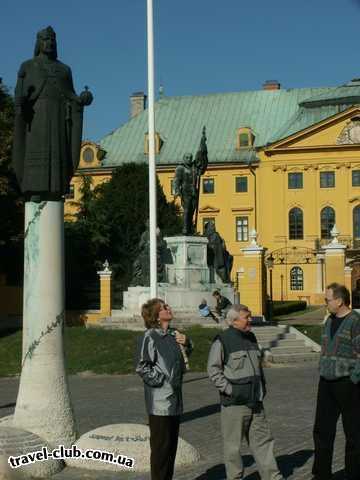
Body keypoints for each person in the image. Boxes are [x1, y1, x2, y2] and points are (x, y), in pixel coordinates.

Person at [12, 26, 93, 200]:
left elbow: (71, 96)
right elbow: (20, 98)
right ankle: (35, 188)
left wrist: (83, 99)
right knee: (36, 153)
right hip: (36, 120)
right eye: (46, 39)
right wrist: (21, 101)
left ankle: (56, 188)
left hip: (58, 120)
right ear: (39, 43)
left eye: (52, 40)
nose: (49, 43)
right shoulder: (28, 66)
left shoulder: (64, 70)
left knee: (57, 154)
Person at [207, 304, 284, 480]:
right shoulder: (222, 340)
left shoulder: (251, 337)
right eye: (246, 317)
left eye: (249, 316)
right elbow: (213, 370)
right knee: (233, 448)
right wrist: (230, 390)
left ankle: (273, 477)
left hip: (256, 402)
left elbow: (258, 367)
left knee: (264, 443)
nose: (250, 319)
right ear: (234, 321)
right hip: (234, 404)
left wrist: (262, 387)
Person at [136, 298, 193, 480]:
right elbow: (142, 366)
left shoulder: (174, 334)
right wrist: (161, 381)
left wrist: (187, 343)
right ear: (156, 316)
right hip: (160, 402)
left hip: (175, 399)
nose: (169, 308)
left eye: (167, 306)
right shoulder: (150, 336)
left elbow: (181, 359)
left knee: (171, 450)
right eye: (164, 308)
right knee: (161, 450)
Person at [312, 283, 360, 480]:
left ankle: (353, 473)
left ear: (339, 301)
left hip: (348, 384)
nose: (325, 303)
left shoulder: (356, 321)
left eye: (328, 299)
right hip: (326, 383)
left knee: (354, 432)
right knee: (322, 431)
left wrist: (354, 378)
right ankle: (322, 474)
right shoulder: (329, 321)